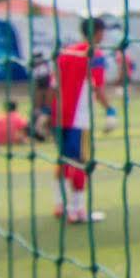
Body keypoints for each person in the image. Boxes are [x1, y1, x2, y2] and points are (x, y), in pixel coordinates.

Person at [54, 17, 112, 224]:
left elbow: (55, 84)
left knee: (63, 159)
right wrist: (110, 111)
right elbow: (98, 88)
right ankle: (77, 211)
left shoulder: (66, 52)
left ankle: (60, 204)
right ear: (98, 32)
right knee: (79, 162)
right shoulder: (94, 54)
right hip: (78, 118)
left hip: (58, 115)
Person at [29, 51, 56, 142]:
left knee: (43, 109)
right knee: (46, 109)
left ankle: (40, 128)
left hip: (45, 86)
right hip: (46, 86)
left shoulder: (41, 69)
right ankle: (39, 128)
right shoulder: (43, 68)